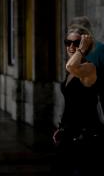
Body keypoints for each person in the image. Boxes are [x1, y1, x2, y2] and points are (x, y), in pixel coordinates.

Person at [51, 18, 104, 175]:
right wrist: (62, 127)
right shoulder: (72, 71)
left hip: (86, 136)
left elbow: (70, 65)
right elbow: (71, 103)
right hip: (69, 133)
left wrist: (81, 51)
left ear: (85, 45)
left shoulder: (88, 68)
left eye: (76, 43)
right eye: (68, 43)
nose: (71, 47)